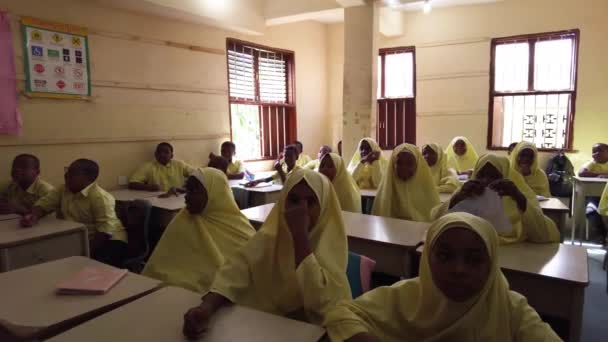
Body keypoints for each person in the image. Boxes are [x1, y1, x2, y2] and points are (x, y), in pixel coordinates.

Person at [324, 212, 560, 342]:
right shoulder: (407, 295)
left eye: (474, 259)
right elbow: (340, 314)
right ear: (426, 259)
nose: (458, 269)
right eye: (445, 256)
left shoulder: (511, 309)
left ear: (492, 264)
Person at [182, 169, 351, 339]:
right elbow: (236, 270)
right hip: (266, 326)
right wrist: (207, 307)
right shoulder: (269, 238)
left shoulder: (331, 248)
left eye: (311, 201)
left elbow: (321, 303)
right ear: (283, 202)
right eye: (294, 200)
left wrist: (300, 238)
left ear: (324, 206)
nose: (302, 210)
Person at [142, 168, 255, 293]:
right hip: (173, 293)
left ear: (215, 193)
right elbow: (162, 266)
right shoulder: (182, 220)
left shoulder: (239, 229)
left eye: (194, 191)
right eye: (187, 190)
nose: (186, 197)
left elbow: (250, 273)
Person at [21, 159, 128, 267]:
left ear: (89, 178)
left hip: (108, 240)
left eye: (73, 173)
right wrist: (33, 216)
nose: (66, 175)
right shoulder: (63, 189)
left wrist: (84, 252)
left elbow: (105, 232)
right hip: (78, 238)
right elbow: (43, 205)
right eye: (67, 171)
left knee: (91, 269)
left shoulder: (100, 197)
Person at [433, 154, 560, 244]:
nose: (486, 181)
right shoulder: (467, 193)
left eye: (494, 176)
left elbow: (543, 233)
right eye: (481, 175)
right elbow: (435, 221)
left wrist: (518, 197)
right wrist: (457, 198)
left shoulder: (517, 196)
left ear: (505, 176)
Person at [372, 144, 439, 222]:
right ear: (393, 165)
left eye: (409, 163)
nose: (404, 167)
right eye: (399, 163)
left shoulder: (427, 189)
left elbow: (433, 220)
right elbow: (379, 220)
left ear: (418, 165)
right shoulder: (386, 190)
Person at [129, 142, 194, 193]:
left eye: (166, 152)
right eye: (159, 152)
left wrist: (186, 187)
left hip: (178, 198)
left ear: (172, 155)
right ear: (155, 154)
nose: (162, 154)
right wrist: (148, 187)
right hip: (159, 201)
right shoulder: (148, 166)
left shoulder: (179, 165)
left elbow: (197, 175)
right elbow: (132, 184)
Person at [578, 143, 608, 244]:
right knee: (591, 210)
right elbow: (581, 173)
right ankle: (601, 235)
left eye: (600, 151)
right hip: (594, 197)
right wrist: (599, 175)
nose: (596, 153)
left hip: (607, 198)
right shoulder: (592, 163)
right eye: (594, 151)